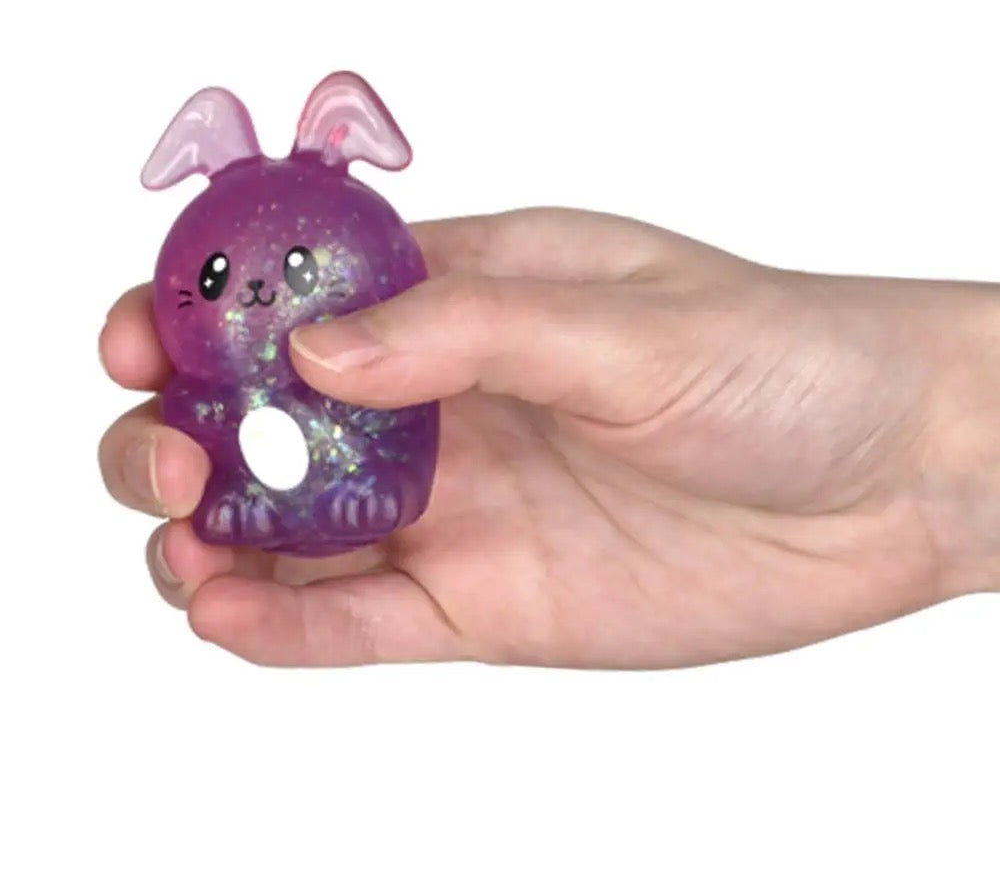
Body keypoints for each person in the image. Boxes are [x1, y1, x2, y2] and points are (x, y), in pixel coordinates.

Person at [97, 207, 1000, 667]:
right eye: (218, 278)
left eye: (297, 268)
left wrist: (931, 442)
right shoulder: (208, 375)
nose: (258, 296)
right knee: (199, 477)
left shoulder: (369, 299)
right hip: (285, 475)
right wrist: (934, 447)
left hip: (384, 472)